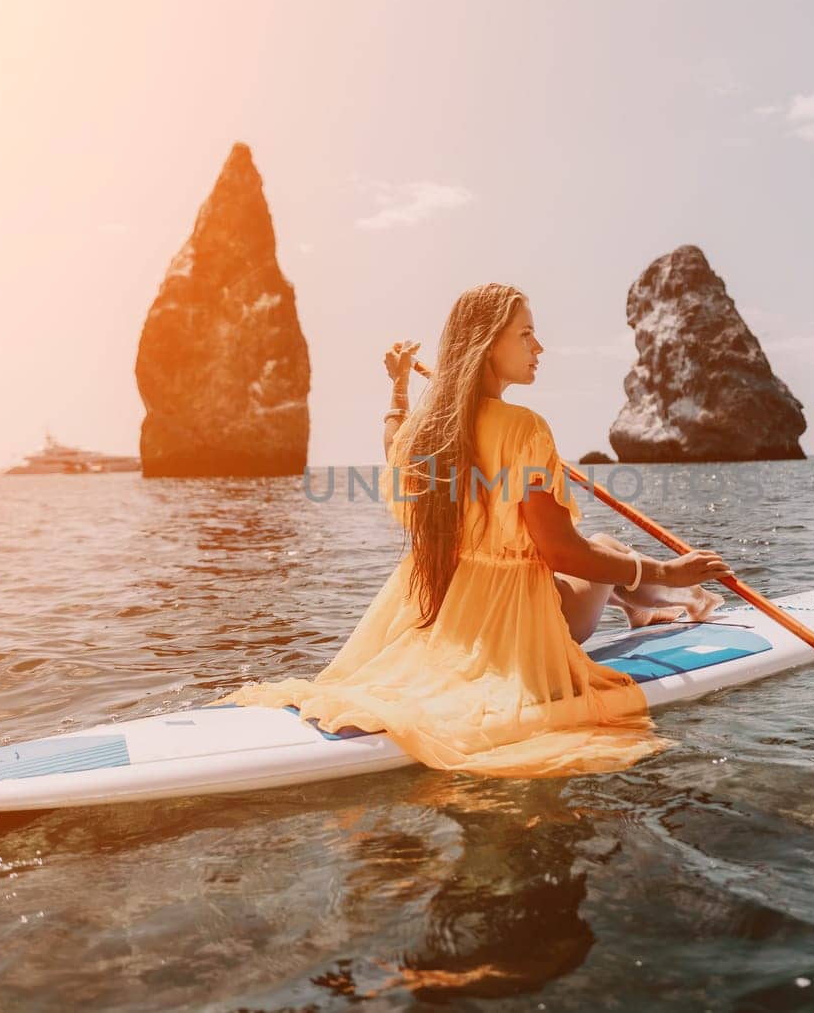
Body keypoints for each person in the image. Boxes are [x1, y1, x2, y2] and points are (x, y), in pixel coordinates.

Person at [219, 283, 730, 777]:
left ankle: (649, 610)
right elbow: (561, 552)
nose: (539, 347)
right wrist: (669, 568)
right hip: (514, 626)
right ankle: (683, 600)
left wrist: (398, 386)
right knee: (604, 547)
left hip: (440, 614)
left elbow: (393, 437)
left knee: (600, 556)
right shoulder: (524, 427)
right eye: (526, 334)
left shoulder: (428, 428)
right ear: (488, 344)